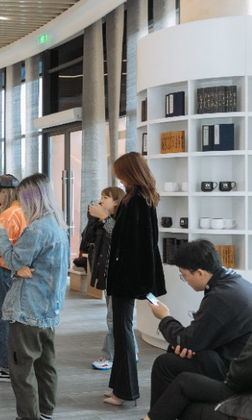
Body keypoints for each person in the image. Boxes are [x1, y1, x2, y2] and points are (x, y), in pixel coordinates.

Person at [0, 173, 69, 420]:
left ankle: (28, 416)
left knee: (21, 369)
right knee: (46, 366)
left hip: (28, 310)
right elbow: (23, 264)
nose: (20, 204)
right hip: (48, 309)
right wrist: (19, 267)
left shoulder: (36, 229)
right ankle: (45, 412)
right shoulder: (58, 225)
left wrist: (0, 234)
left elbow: (14, 260)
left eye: (22, 199)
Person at [147, 239, 252, 410]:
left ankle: (158, 415)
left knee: (164, 363)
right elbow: (198, 337)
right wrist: (190, 344)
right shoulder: (234, 281)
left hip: (234, 373)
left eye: (184, 275)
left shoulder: (220, 297)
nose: (185, 280)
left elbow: (186, 340)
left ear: (200, 273)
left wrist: (164, 317)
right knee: (179, 352)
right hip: (237, 362)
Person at [105, 152, 166, 406]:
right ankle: (119, 387)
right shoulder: (139, 198)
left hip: (126, 278)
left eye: (120, 173)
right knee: (121, 332)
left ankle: (125, 391)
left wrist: (106, 219)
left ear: (129, 172)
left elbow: (136, 245)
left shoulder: (137, 201)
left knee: (123, 333)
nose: (118, 178)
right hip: (126, 277)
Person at [82, 186, 139, 371]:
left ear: (116, 201)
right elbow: (86, 240)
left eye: (105, 197)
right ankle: (131, 352)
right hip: (109, 277)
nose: (101, 200)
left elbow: (121, 239)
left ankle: (109, 356)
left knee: (114, 320)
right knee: (118, 319)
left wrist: (105, 218)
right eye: (101, 197)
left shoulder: (122, 220)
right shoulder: (102, 221)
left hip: (122, 278)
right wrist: (93, 219)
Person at [0, 174, 27, 382]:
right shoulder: (22, 211)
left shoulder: (8, 215)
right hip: (16, 269)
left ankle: (6, 366)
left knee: (1, 318)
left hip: (3, 268)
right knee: (12, 317)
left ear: (4, 192)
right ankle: (13, 363)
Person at [144, 333, 252, 420]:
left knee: (180, 402)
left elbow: (238, 376)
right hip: (239, 385)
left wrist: (165, 318)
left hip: (243, 394)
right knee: (180, 379)